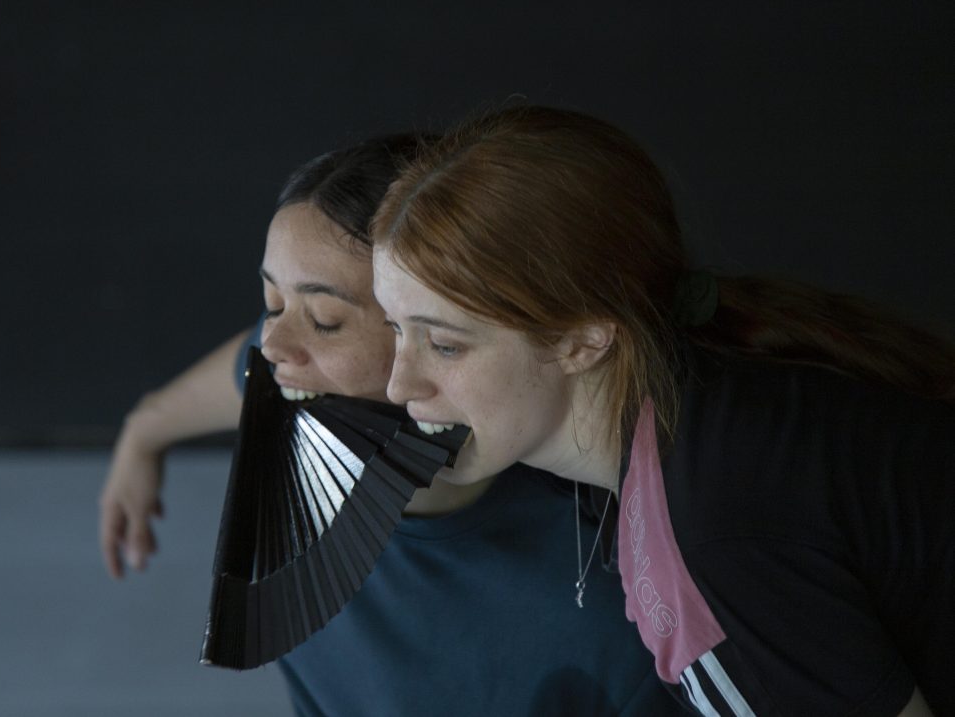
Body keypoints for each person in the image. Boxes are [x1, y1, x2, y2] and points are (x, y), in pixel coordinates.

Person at [370, 105, 955, 716]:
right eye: (394, 329)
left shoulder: (709, 530)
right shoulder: (689, 411)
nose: (397, 382)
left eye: (444, 344)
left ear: (582, 340)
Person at [99, 135, 686, 716]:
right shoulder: (291, 377)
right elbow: (248, 359)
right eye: (273, 302)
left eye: (326, 319)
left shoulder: (603, 606)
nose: (274, 346)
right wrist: (145, 431)